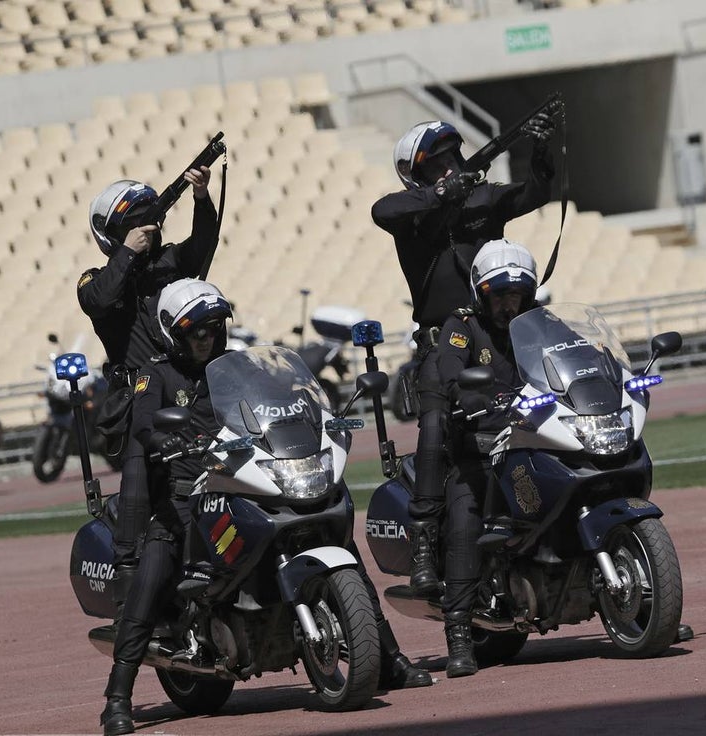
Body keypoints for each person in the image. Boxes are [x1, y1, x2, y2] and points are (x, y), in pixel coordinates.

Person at [100, 279, 429, 736]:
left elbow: (288, 397)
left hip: (242, 478)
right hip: (183, 492)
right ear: (173, 331)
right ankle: (118, 695)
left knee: (345, 552)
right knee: (154, 569)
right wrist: (162, 438)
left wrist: (318, 417)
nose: (205, 336)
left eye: (214, 327)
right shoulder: (155, 375)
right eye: (196, 329)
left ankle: (387, 659)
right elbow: (142, 427)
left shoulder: (236, 368)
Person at [371, 114, 556, 595]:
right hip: (442, 344)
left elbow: (533, 193)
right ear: (418, 175)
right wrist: (440, 197)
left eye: (454, 157)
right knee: (433, 433)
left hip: (503, 336)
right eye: (437, 164)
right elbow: (381, 210)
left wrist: (540, 154)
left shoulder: (483, 197)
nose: (450, 167)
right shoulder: (412, 213)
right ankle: (425, 547)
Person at [77, 169, 216, 620]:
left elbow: (201, 248)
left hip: (188, 392)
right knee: (139, 475)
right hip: (139, 400)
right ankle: (126, 582)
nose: (148, 230)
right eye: (134, 224)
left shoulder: (168, 265)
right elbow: (101, 300)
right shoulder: (96, 279)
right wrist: (127, 254)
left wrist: (200, 198)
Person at [434, 239, 539, 677]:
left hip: (533, 437)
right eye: (501, 296)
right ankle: (458, 631)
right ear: (482, 294)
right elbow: (448, 372)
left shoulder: (536, 324)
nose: (508, 305)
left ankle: (648, 597)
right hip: (479, 446)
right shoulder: (462, 327)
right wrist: (464, 393)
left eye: (516, 295)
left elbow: (570, 354)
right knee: (465, 521)